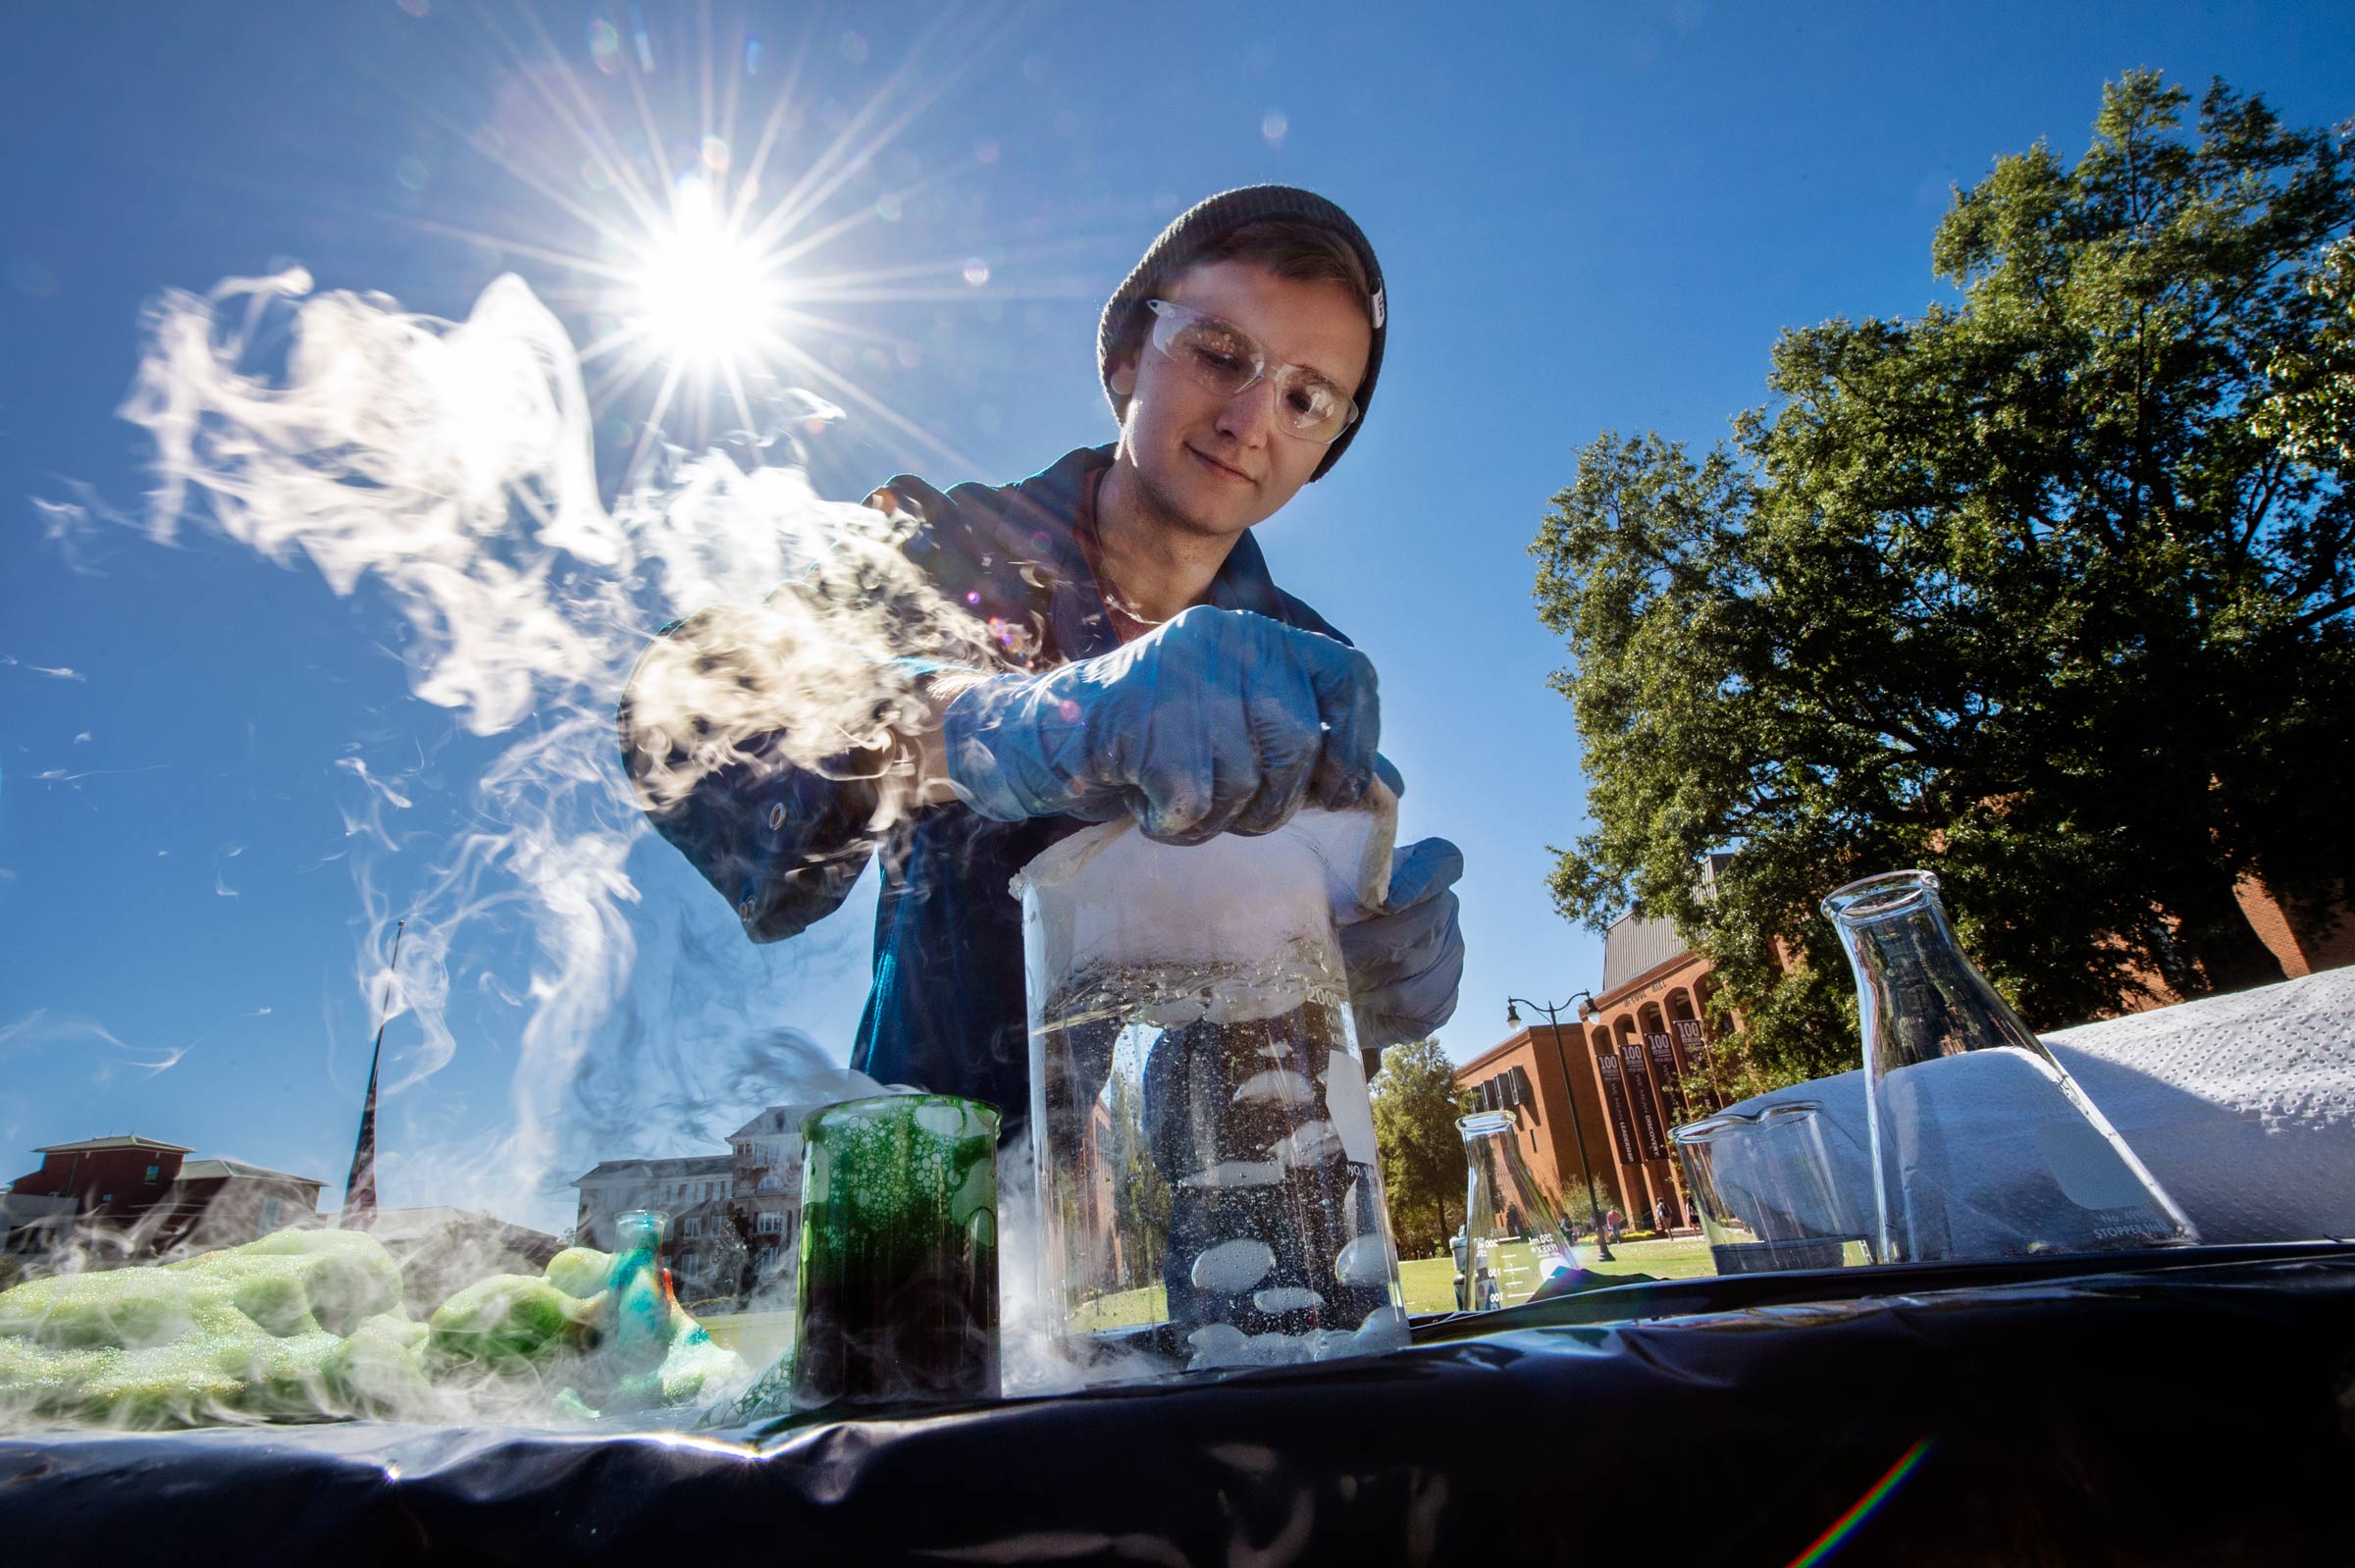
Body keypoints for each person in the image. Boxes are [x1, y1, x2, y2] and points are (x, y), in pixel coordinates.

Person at [619, 185, 1466, 1152]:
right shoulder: (945, 552)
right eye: (1220, 352)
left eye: (1306, 397)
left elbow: (1294, 1060)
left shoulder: (1301, 680)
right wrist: (1002, 726)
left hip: (1223, 1243)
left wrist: (1363, 984)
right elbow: (676, 712)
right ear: (1123, 359)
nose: (1248, 419)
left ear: (1325, 449)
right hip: (943, 1206)